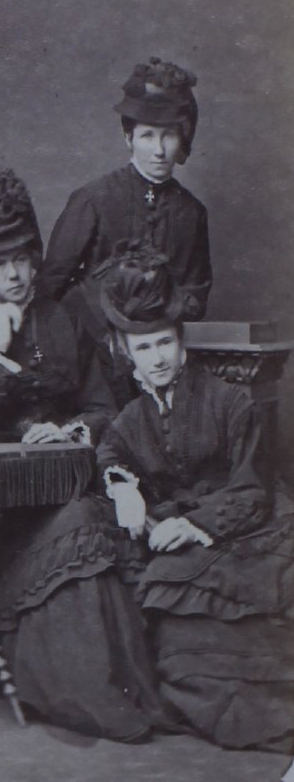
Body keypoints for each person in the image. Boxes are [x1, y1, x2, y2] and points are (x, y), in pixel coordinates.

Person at [0, 169, 170, 740]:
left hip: (70, 484)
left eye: (22, 257)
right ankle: (87, 698)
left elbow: (104, 407)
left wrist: (71, 431)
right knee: (80, 522)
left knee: (87, 515)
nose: (16, 273)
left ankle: (119, 689)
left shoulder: (65, 316)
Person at [96, 244, 294, 753]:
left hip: (250, 531)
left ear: (181, 343)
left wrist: (197, 524)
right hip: (183, 552)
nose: (157, 358)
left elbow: (252, 490)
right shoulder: (129, 420)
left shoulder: (231, 402)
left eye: (164, 343)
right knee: (182, 647)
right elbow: (112, 452)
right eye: (144, 349)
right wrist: (124, 487)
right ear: (125, 353)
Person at [39, 57, 212, 404]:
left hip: (160, 361)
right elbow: (51, 288)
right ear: (128, 137)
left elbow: (196, 294)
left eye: (169, 136)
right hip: (90, 364)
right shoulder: (93, 198)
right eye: (148, 136)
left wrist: (154, 320)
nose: (159, 150)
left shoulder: (192, 213)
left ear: (183, 138)